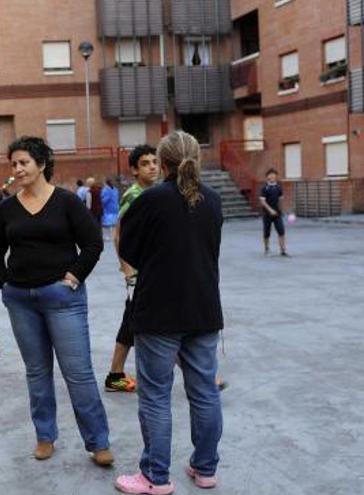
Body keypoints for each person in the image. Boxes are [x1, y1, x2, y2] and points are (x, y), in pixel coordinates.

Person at [0, 136, 113, 466]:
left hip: (62, 299)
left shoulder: (67, 202)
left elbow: (93, 243)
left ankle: (98, 442)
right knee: (37, 372)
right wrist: (5, 284)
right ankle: (45, 436)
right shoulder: (7, 207)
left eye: (24, 162)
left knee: (78, 373)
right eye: (13, 163)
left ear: (42, 164)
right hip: (21, 301)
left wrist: (73, 277)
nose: (17, 169)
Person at [113, 131, 224, 494]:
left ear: (162, 163)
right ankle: (205, 469)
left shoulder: (151, 199)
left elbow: (129, 248)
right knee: (205, 391)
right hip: (203, 308)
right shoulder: (214, 200)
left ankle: (155, 477)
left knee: (157, 394)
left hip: (159, 310)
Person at [105, 145, 159, 393]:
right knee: (154, 321)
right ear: (135, 170)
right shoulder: (134, 195)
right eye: (146, 163)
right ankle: (203, 376)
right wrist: (128, 272)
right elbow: (119, 235)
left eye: (155, 162)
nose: (152, 167)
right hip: (140, 274)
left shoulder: (154, 192)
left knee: (133, 321)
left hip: (152, 271)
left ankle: (115, 374)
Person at [260, 168, 288, 256]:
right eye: (270, 175)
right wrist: (270, 210)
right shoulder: (264, 188)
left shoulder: (279, 187)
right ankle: (266, 249)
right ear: (267, 177)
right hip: (267, 214)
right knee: (266, 232)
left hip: (277, 214)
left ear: (276, 176)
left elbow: (280, 200)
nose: (272, 176)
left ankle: (283, 250)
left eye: (273, 175)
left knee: (281, 231)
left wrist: (282, 210)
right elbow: (263, 202)